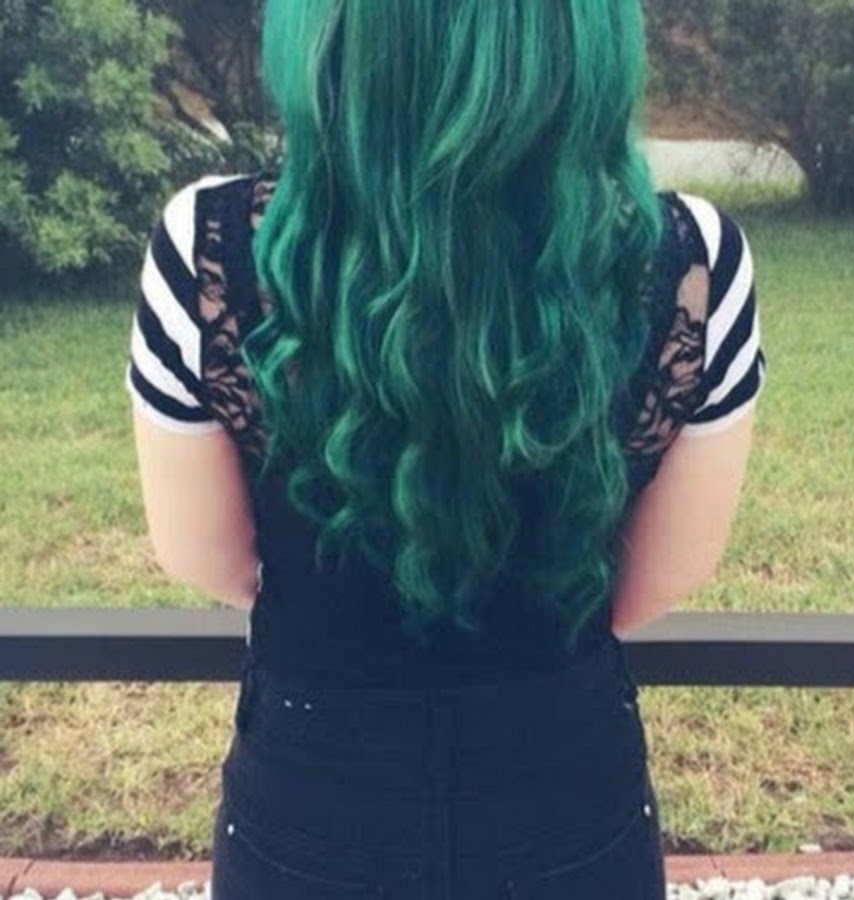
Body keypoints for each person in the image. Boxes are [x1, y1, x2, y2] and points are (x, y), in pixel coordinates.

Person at [127, 1, 764, 897]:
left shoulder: (208, 244)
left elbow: (205, 557)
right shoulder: (693, 263)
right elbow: (653, 584)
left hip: (310, 817)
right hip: (572, 816)